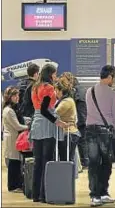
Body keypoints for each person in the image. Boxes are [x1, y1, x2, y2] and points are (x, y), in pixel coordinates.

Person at [30, 64, 67, 203]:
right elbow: (46, 110)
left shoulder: (35, 87)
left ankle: (35, 195)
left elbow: (38, 108)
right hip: (47, 125)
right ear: (50, 74)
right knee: (47, 161)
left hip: (37, 124)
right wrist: (58, 122)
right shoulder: (48, 88)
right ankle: (45, 194)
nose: (56, 76)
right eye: (55, 73)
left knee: (37, 162)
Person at [85, 65, 115, 207]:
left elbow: (92, 112)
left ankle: (94, 196)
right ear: (110, 76)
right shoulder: (113, 93)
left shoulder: (89, 91)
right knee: (106, 164)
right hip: (106, 133)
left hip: (90, 130)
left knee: (93, 164)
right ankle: (104, 193)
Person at [2, 86, 29, 192]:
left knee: (15, 162)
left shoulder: (11, 109)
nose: (17, 97)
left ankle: (16, 185)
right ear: (9, 97)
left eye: (18, 95)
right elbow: (17, 126)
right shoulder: (9, 111)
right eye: (15, 95)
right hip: (12, 138)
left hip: (13, 138)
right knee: (14, 163)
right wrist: (29, 126)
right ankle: (13, 186)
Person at [60, 72, 88, 168]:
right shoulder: (83, 89)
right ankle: (84, 163)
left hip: (78, 120)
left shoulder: (75, 91)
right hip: (83, 118)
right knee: (82, 142)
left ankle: (84, 163)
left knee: (80, 143)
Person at [54, 77, 81, 164]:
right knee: (68, 160)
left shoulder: (66, 102)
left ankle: (68, 177)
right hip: (68, 133)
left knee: (66, 160)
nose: (55, 93)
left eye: (56, 91)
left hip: (68, 133)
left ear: (61, 91)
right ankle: (68, 177)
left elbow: (54, 113)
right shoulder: (68, 100)